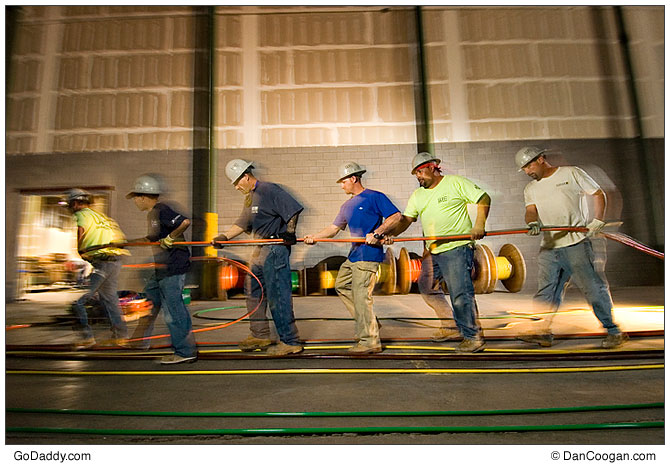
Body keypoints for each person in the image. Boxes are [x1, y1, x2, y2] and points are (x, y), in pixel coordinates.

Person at [514, 146, 628, 349]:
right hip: (549, 246)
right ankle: (542, 332)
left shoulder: (571, 173)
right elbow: (531, 211)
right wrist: (532, 222)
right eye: (523, 169)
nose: (527, 172)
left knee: (592, 288)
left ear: (541, 159)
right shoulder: (530, 188)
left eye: (528, 166)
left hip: (575, 243)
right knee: (546, 291)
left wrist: (597, 221)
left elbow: (598, 193)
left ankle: (613, 331)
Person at [387, 152, 491, 353]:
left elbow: (483, 197)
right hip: (432, 250)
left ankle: (473, 336)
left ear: (433, 167)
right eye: (415, 174)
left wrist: (479, 224)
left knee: (460, 293)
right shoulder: (418, 195)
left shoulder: (455, 183)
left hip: (456, 248)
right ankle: (451, 327)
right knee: (427, 287)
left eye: (420, 171)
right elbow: (407, 220)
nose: (418, 177)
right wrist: (392, 235)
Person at [304, 162, 402, 354]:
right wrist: (315, 237)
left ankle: (370, 341)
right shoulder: (346, 205)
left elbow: (396, 216)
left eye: (343, 182)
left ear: (353, 179)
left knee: (361, 296)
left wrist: (378, 232)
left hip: (368, 254)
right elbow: (333, 229)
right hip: (354, 255)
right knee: (341, 285)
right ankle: (370, 323)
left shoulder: (375, 197)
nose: (341, 186)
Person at [213, 159, 304, 356]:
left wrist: (289, 232)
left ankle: (290, 341)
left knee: (277, 296)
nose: (236, 187)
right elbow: (243, 223)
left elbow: (293, 208)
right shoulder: (251, 197)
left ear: (246, 176)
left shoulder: (269, 190)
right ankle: (260, 334)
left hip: (274, 248)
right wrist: (224, 237)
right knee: (253, 291)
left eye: (237, 182)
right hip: (259, 248)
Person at [126, 175, 198, 364]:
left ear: (143, 196)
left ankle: (185, 351)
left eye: (135, 197)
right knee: (149, 302)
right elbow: (151, 238)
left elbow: (185, 222)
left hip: (173, 267)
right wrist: (125, 243)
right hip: (162, 269)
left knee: (173, 310)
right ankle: (139, 341)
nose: (134, 201)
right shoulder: (153, 215)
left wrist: (171, 237)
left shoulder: (162, 210)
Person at [66, 189, 130, 349]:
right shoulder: (102, 217)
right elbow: (120, 238)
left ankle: (86, 338)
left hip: (102, 262)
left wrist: (80, 250)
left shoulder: (81, 214)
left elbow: (81, 230)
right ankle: (121, 337)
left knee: (79, 302)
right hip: (115, 261)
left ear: (75, 203)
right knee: (110, 300)